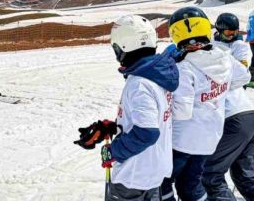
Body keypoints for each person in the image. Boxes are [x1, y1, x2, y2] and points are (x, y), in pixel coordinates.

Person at [74, 15, 179, 201]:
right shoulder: (158, 76)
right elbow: (150, 118)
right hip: (154, 171)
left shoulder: (140, 84)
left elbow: (147, 132)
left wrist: (114, 151)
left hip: (134, 175)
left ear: (124, 48)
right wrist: (113, 127)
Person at [160, 7, 248, 201]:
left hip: (182, 141)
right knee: (190, 183)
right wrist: (219, 90)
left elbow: (182, 111)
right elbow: (244, 76)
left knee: (163, 182)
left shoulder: (184, 68)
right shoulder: (224, 56)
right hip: (210, 137)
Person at [201, 13, 254, 201]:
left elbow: (243, 75)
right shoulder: (209, 45)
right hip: (250, 118)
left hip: (234, 120)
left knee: (209, 175)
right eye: (227, 32)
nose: (232, 35)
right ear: (218, 30)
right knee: (246, 177)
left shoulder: (236, 47)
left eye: (235, 32)